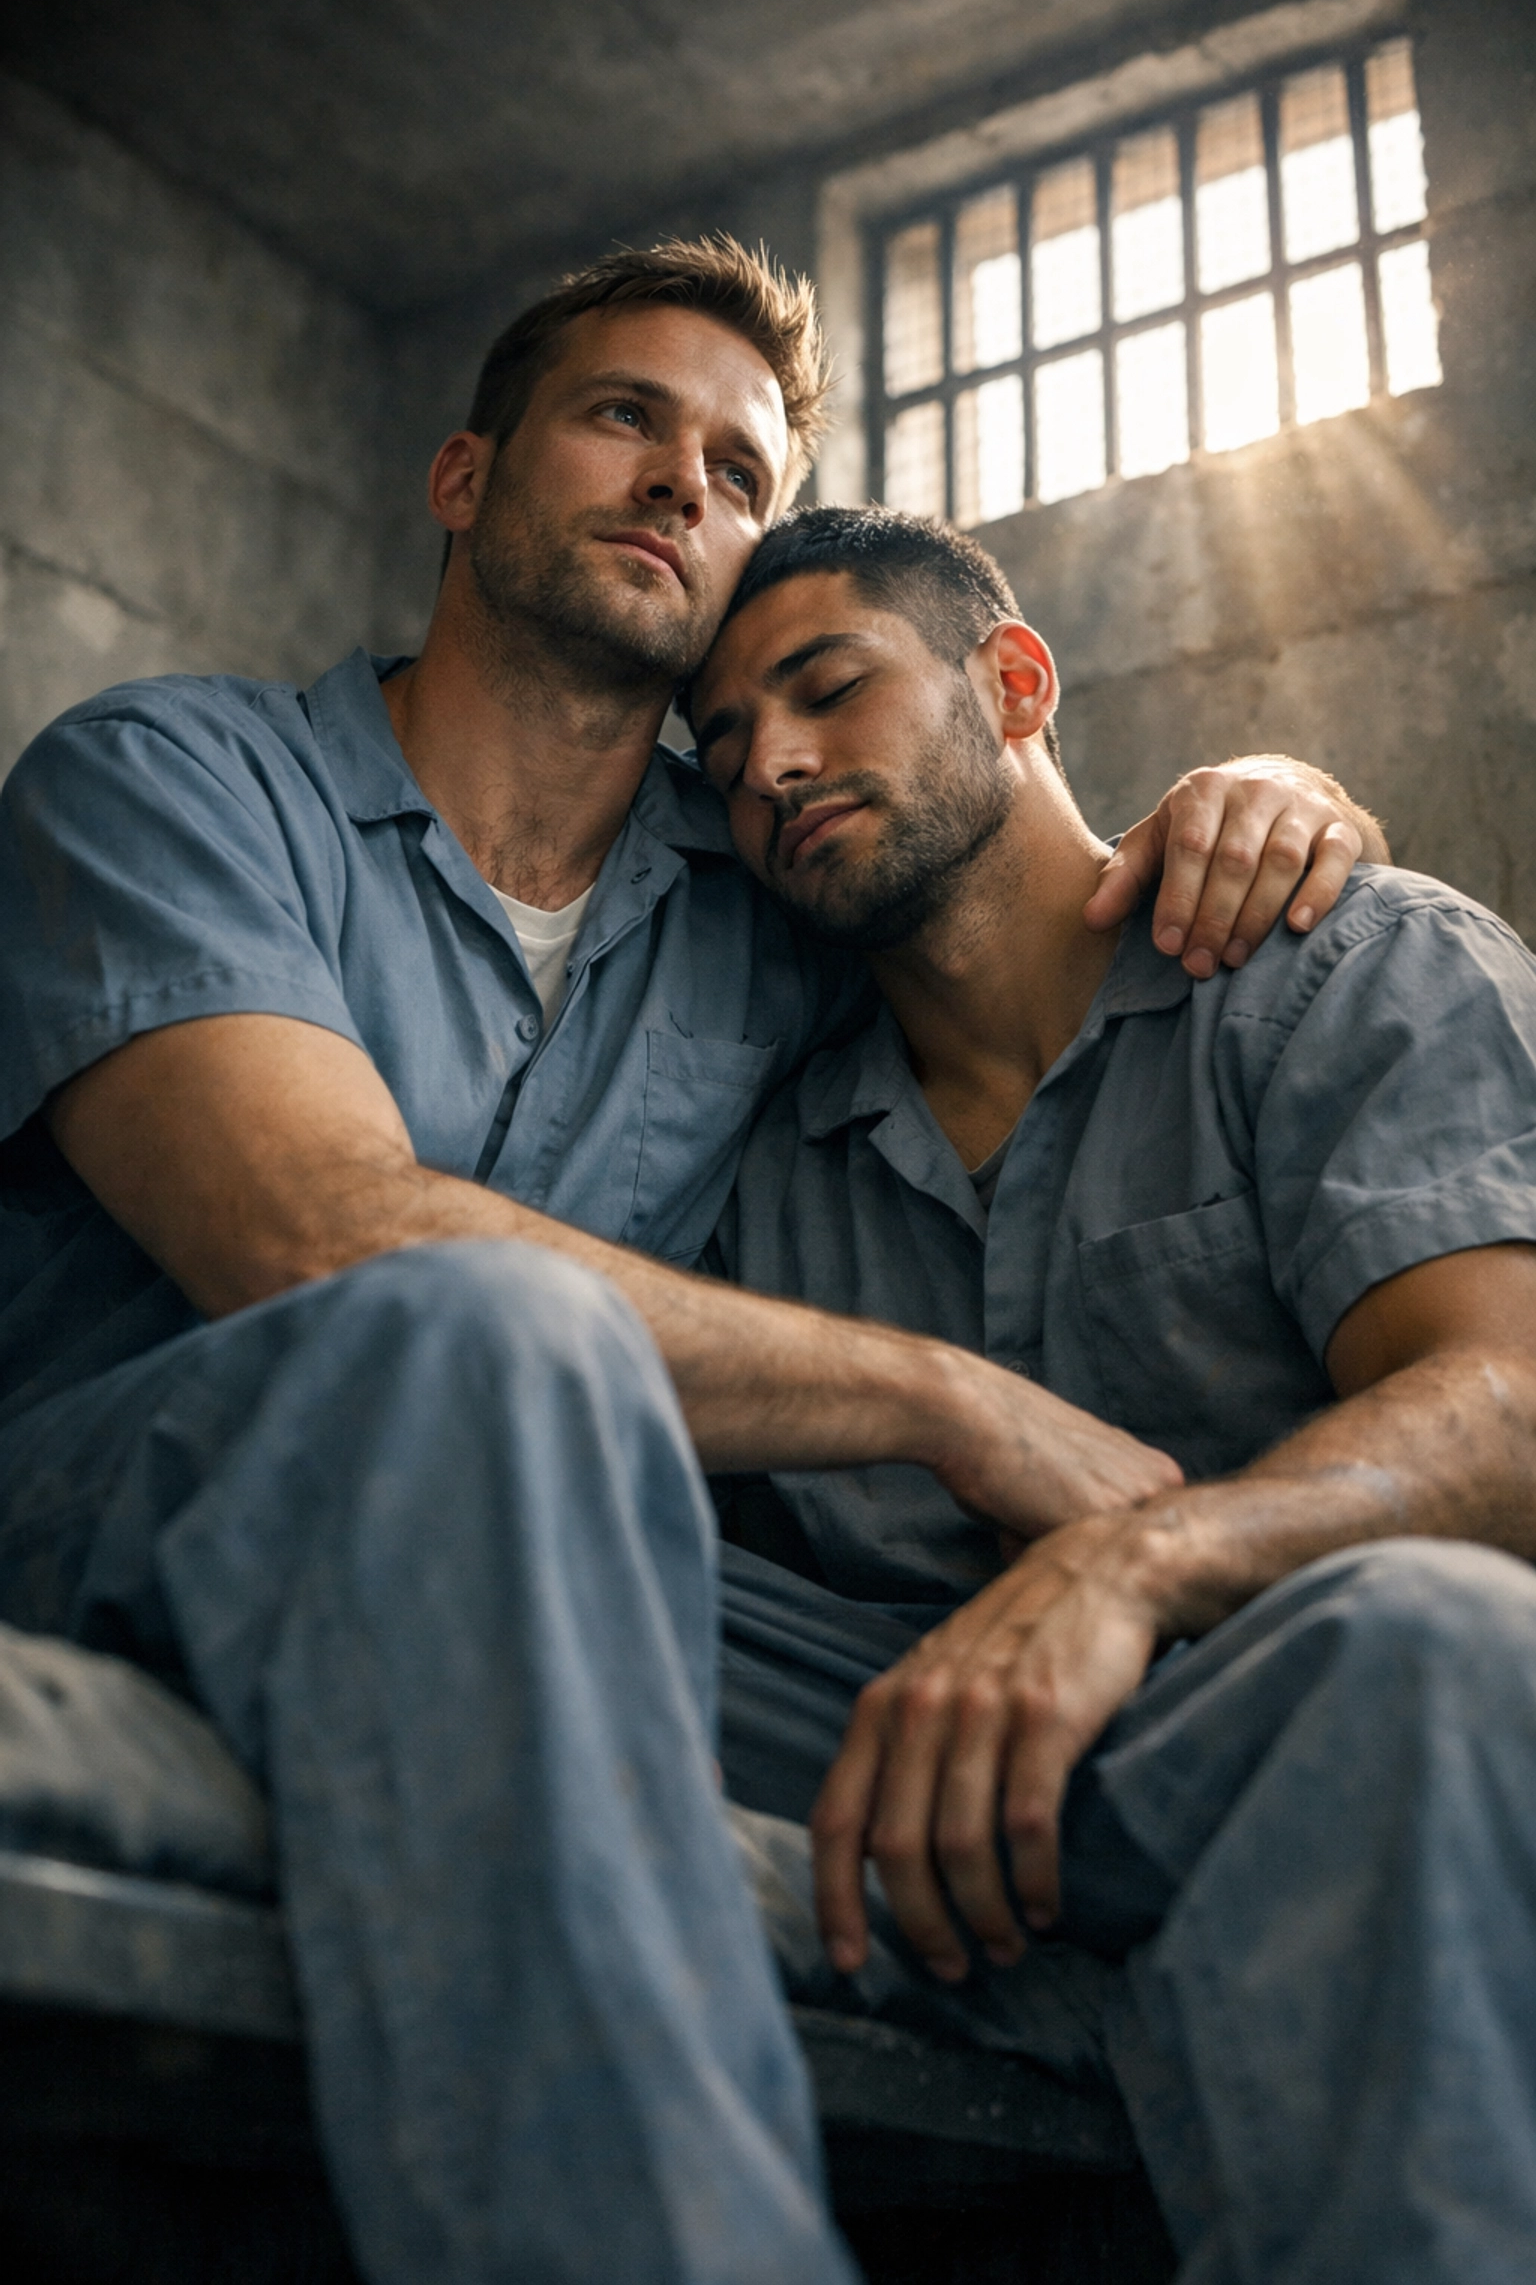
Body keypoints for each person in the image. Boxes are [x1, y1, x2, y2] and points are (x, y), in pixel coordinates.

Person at [0, 237, 1380, 2285]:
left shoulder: (759, 914)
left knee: (1338, 1676)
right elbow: (318, 1239)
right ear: (467, 476)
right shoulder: (169, 778)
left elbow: (1000, 884)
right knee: (482, 1339)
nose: (685, 485)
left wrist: (1269, 800)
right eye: (626, 419)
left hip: (552, 1540)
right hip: (138, 1492)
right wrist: (951, 1400)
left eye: (739, 471)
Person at [692, 505, 1536, 2285]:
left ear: (1014, 684)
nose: (769, 763)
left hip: (1292, 1703)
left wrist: (1130, 1567)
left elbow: (1514, 1409)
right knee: (546, 1557)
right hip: (911, 1746)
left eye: (827, 690)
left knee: (1423, 1633)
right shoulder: (769, 1156)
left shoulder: (1339, 963)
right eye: (721, 743)